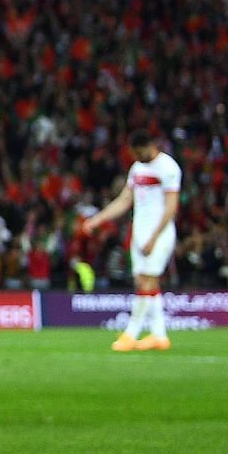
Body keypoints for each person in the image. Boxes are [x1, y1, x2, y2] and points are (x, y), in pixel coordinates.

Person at [78, 133, 181, 351]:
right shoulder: (137, 168)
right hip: (140, 231)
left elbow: (171, 207)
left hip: (159, 232)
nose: (135, 156)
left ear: (150, 146)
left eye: (137, 152)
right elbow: (125, 200)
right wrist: (97, 220)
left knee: (145, 280)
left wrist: (154, 237)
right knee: (145, 282)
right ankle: (159, 335)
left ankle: (131, 334)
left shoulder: (168, 168)